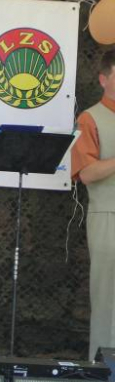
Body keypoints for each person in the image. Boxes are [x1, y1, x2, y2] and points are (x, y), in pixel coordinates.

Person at [71, 49, 115, 361]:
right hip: (108, 214)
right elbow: (86, 173)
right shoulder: (90, 118)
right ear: (103, 79)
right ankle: (103, 370)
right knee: (107, 299)